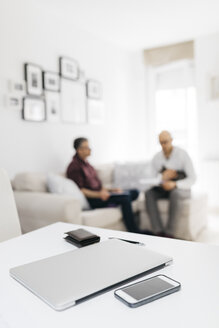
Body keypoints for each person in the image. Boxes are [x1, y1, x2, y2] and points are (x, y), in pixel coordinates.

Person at [66, 137, 143, 234]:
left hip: (100, 194)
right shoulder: (74, 167)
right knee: (125, 198)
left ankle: (115, 201)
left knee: (135, 192)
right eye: (87, 147)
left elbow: (98, 186)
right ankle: (134, 230)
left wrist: (112, 190)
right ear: (79, 150)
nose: (90, 149)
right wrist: (99, 195)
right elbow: (81, 190)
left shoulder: (87, 164)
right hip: (93, 199)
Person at [145, 131, 196, 238]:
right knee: (148, 193)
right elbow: (150, 178)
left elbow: (192, 178)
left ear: (171, 140)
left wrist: (175, 184)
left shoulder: (182, 154)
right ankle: (158, 231)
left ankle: (169, 233)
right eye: (161, 143)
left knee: (175, 194)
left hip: (181, 189)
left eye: (165, 142)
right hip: (163, 189)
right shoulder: (157, 157)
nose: (163, 145)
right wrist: (162, 178)